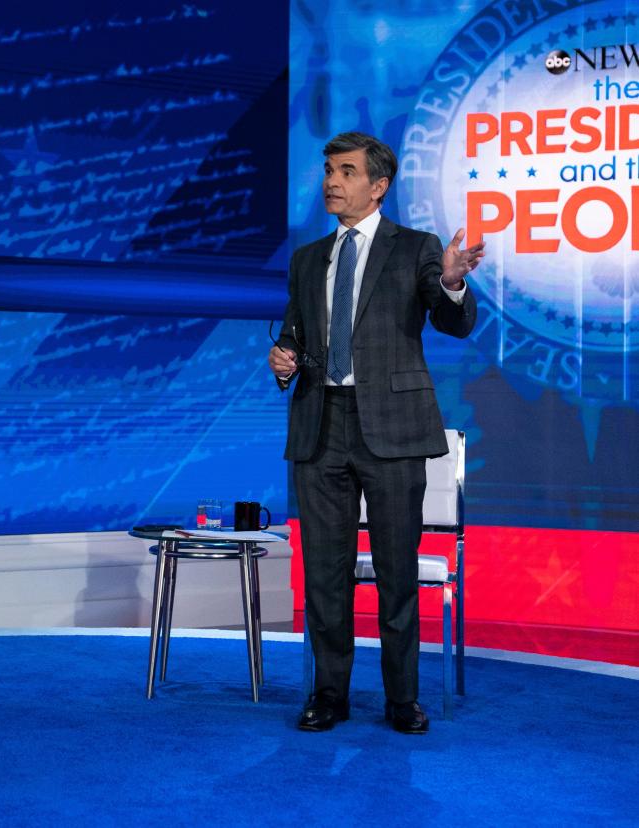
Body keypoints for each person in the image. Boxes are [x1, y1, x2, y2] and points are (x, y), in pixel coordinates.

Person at [268, 132, 483, 734]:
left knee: (396, 573)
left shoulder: (416, 248)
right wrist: (283, 357)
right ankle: (328, 695)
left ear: (378, 185)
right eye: (329, 171)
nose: (332, 182)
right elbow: (294, 335)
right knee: (325, 575)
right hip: (319, 426)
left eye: (346, 171)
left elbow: (452, 321)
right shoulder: (308, 259)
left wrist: (453, 282)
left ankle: (401, 699)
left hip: (391, 431)